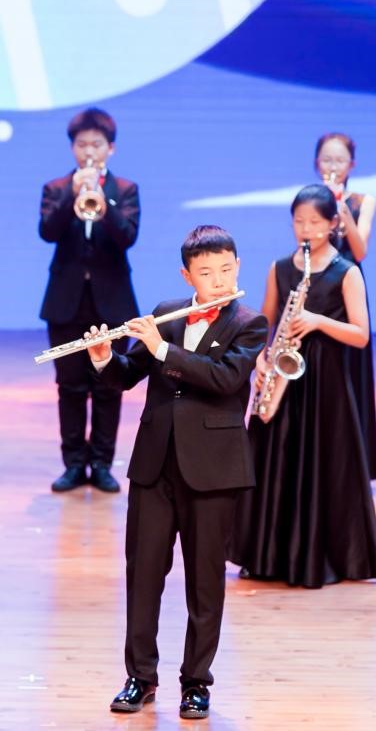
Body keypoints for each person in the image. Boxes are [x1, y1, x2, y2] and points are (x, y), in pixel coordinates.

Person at [85, 225, 266, 721]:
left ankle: (196, 682)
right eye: (207, 273)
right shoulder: (167, 313)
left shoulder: (250, 322)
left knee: (204, 581)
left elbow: (224, 379)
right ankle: (140, 677)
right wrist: (105, 358)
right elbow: (127, 375)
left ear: (238, 266)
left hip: (213, 469)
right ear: (188, 275)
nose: (219, 280)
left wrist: (164, 349)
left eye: (226, 269)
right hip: (155, 464)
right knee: (143, 575)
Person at [232, 185, 376, 589]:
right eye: (299, 221)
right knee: (273, 463)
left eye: (315, 222)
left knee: (320, 464)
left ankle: (319, 558)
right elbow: (262, 323)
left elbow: (361, 335)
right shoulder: (280, 268)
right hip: (281, 377)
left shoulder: (346, 272)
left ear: (333, 223)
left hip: (325, 382)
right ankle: (263, 556)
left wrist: (317, 321)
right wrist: (260, 359)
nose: (306, 229)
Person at [39, 107, 140, 494]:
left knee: (108, 385)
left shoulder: (125, 190)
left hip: (112, 302)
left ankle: (101, 464)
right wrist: (72, 194)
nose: (89, 151)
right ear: (73, 148)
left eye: (97, 144)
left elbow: (127, 237)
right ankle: (73, 464)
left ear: (110, 148)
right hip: (66, 302)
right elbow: (47, 231)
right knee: (70, 387)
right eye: (82, 144)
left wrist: (104, 203)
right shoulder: (56, 188)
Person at [316, 132, 376, 479]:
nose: (333, 166)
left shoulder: (362, 201)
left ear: (351, 165)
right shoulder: (311, 200)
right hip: (318, 287)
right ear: (317, 163)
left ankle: (355, 463)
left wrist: (342, 210)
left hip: (349, 287)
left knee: (351, 371)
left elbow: (359, 250)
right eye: (327, 159)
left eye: (339, 160)